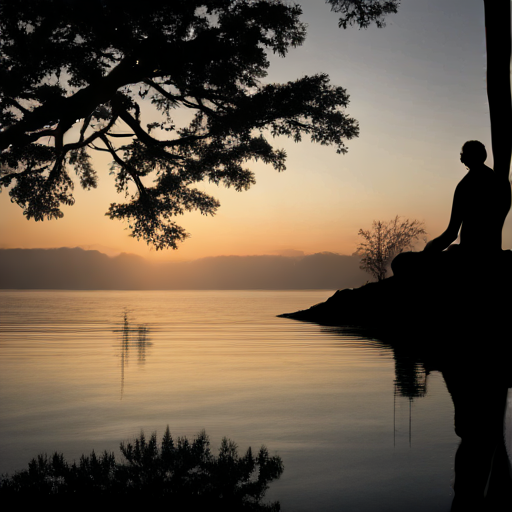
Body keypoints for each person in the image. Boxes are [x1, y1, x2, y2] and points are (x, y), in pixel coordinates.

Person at [391, 140, 511, 278]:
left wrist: (426, 252)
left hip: (470, 257)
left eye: (463, 155)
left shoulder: (465, 187)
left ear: (466, 158)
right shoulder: (498, 182)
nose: (461, 159)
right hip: (493, 253)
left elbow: (451, 234)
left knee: (400, 261)